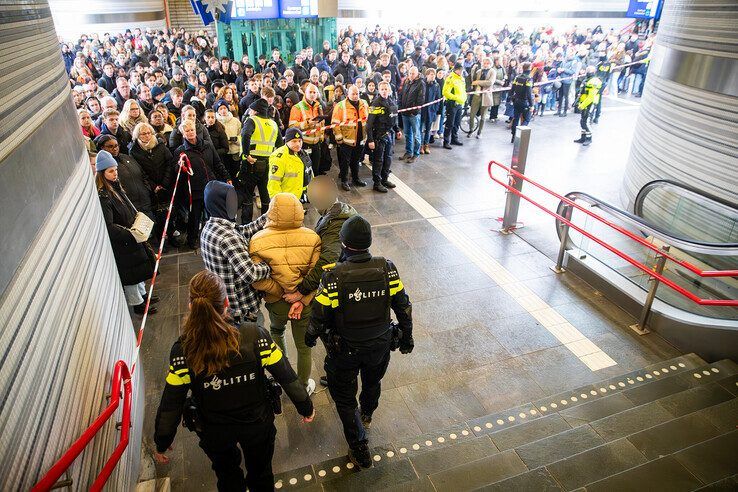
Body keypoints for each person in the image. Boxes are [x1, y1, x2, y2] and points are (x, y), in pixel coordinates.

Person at [153, 270, 314, 491]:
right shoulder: (255, 336)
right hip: (257, 425)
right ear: (226, 303)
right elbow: (286, 375)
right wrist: (305, 407)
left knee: (227, 475)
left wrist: (162, 441)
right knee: (261, 472)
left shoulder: (183, 351)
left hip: (214, 431)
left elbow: (172, 402)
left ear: (192, 307)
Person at [305, 215, 413, 468]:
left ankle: (359, 446)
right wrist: (407, 337)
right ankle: (366, 414)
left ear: (343, 242)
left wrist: (309, 338)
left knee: (343, 398)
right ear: (368, 242)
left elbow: (319, 317)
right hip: (380, 345)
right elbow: (403, 306)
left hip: (345, 351)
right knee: (373, 381)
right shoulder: (387, 268)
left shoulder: (333, 277)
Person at [249, 193, 322, 395]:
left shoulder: (256, 240)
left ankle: (285, 379)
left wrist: (281, 292)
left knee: (276, 331)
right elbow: (317, 275)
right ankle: (303, 386)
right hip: (304, 304)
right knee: (304, 346)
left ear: (271, 212)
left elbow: (257, 279)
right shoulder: (313, 237)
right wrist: (301, 297)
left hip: (277, 302)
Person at [200, 181, 272, 326]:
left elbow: (240, 231)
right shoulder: (227, 238)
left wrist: (266, 217)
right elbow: (250, 274)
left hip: (226, 305)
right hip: (244, 311)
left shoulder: (210, 226)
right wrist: (271, 265)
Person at [95, 150, 157, 315]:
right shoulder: (104, 196)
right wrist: (130, 233)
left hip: (132, 237)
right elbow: (109, 226)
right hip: (125, 241)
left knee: (139, 271)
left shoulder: (116, 187)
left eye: (115, 169)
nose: (115, 173)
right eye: (110, 171)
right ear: (102, 173)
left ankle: (144, 296)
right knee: (132, 277)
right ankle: (138, 305)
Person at [175, 120, 231, 249]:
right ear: (183, 134)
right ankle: (192, 239)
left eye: (192, 130)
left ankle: (217, 238)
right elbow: (177, 173)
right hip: (195, 189)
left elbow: (217, 163)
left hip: (211, 187)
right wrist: (179, 166)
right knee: (195, 217)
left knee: (214, 214)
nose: (190, 132)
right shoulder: (181, 151)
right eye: (187, 131)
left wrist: (226, 176)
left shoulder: (207, 145)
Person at [239, 99, 282, 222]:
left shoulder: (252, 120)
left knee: (247, 196)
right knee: (265, 196)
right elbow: (280, 144)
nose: (250, 112)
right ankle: (265, 223)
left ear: (256, 111)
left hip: (252, 164)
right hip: (268, 164)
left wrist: (247, 155)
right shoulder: (273, 124)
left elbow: (245, 135)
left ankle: (246, 225)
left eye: (251, 110)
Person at [365, 81, 401, 193]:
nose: (384, 91)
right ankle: (377, 183)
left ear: (389, 90)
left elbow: (393, 118)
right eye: (382, 89)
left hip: (389, 134)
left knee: (388, 158)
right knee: (378, 160)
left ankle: (385, 180)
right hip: (378, 135)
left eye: (386, 89)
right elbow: (369, 124)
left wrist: (397, 130)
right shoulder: (375, 103)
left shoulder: (391, 101)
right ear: (379, 90)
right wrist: (370, 140)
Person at [331, 85, 369, 190]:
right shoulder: (340, 106)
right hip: (346, 140)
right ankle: (344, 181)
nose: (356, 96)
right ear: (348, 94)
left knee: (356, 160)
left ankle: (356, 179)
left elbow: (368, 120)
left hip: (360, 138)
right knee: (345, 162)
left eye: (357, 94)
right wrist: (339, 138)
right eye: (353, 94)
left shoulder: (364, 103)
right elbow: (335, 123)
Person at [288, 83, 327, 175]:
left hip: (317, 143)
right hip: (304, 144)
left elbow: (322, 124)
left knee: (315, 169)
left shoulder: (318, 106)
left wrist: (321, 136)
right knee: (304, 171)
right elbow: (292, 126)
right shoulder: (297, 107)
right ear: (305, 93)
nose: (313, 94)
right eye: (310, 92)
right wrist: (307, 123)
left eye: (315, 92)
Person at [267, 128, 312, 201]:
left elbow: (307, 174)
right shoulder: (279, 157)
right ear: (287, 142)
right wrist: (278, 202)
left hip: (298, 198)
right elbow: (273, 183)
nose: (298, 144)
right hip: (285, 200)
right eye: (294, 141)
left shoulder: (302, 153)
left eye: (300, 141)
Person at [398, 66, 425, 163]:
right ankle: (408, 152)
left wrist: (414, 111)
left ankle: (416, 153)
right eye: (409, 73)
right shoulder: (406, 81)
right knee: (407, 134)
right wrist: (400, 107)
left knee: (416, 134)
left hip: (414, 114)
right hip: (405, 112)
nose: (411, 75)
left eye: (413, 73)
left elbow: (421, 99)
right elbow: (401, 95)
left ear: (417, 73)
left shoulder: (421, 83)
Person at [574, 66, 602, 147]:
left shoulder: (594, 81)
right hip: (584, 102)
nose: (587, 72)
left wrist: (582, 105)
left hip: (590, 103)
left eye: (589, 70)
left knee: (586, 121)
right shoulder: (587, 79)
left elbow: (591, 97)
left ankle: (589, 138)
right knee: (582, 121)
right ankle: (583, 137)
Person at [468, 57, 495, 139]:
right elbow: (472, 80)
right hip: (476, 95)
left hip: (486, 96)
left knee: (483, 117)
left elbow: (490, 82)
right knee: (472, 115)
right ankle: (471, 130)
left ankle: (479, 132)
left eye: (487, 63)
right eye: (484, 63)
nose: (486, 65)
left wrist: (478, 82)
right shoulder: (479, 71)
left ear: (490, 64)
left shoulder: (492, 72)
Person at [441, 62, 466, 149]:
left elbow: (463, 90)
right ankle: (446, 141)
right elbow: (445, 92)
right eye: (460, 70)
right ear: (456, 70)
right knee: (450, 123)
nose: (462, 71)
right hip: (452, 103)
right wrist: (456, 98)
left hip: (459, 103)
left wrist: (463, 99)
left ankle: (454, 139)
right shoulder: (450, 78)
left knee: (457, 123)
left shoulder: (461, 78)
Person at [510, 61, 534, 143]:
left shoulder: (517, 77)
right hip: (525, 102)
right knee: (527, 119)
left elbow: (512, 89)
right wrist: (532, 105)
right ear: (529, 69)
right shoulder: (528, 79)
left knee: (516, 119)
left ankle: (513, 136)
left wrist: (511, 98)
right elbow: (529, 93)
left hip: (516, 101)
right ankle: (520, 135)